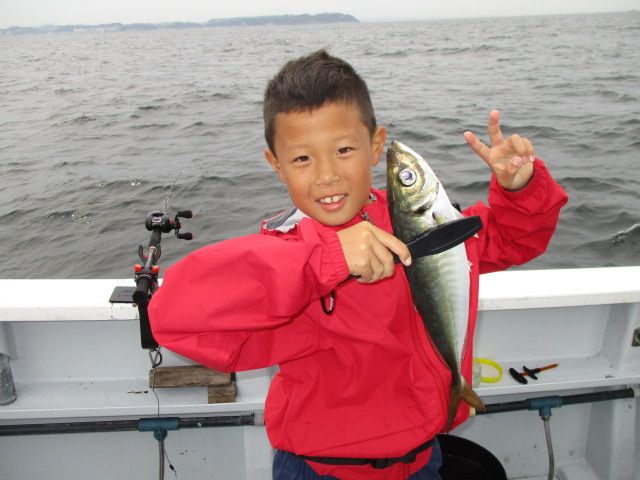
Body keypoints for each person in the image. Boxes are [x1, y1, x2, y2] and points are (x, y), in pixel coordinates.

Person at [148, 50, 568, 480]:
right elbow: (173, 316)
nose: (327, 175)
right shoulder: (287, 253)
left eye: (344, 149)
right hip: (320, 469)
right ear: (276, 165)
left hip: (423, 458)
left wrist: (519, 189)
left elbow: (513, 241)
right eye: (302, 158)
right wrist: (325, 259)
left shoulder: (423, 228)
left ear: (376, 146)